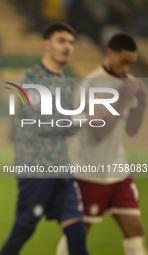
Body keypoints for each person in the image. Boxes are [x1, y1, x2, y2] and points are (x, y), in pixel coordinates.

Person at [0, 22, 89, 255]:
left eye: (71, 42)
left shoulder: (66, 82)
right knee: (22, 232)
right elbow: (39, 122)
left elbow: (64, 126)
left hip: (61, 169)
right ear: (46, 45)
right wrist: (78, 120)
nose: (68, 46)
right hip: (36, 169)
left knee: (77, 234)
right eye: (61, 41)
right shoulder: (32, 78)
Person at [57, 33, 147, 255]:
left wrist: (141, 102)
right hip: (90, 171)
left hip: (118, 169)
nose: (126, 67)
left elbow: (132, 129)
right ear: (109, 53)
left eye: (131, 63)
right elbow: (98, 134)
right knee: (80, 231)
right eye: (123, 61)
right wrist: (125, 99)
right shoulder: (92, 85)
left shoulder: (127, 83)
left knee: (135, 229)